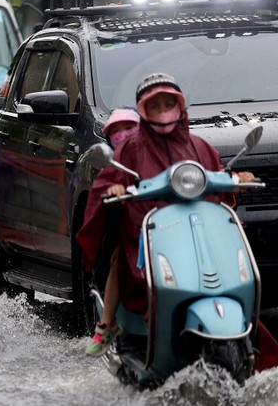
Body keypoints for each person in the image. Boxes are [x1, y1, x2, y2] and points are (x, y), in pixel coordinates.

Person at [77, 73, 255, 357]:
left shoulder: (199, 146)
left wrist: (237, 179)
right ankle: (106, 324)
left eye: (167, 104)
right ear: (144, 111)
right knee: (119, 260)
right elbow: (108, 181)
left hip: (197, 227)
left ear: (180, 107)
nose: (162, 112)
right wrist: (116, 189)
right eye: (154, 106)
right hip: (149, 230)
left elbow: (216, 174)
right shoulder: (130, 149)